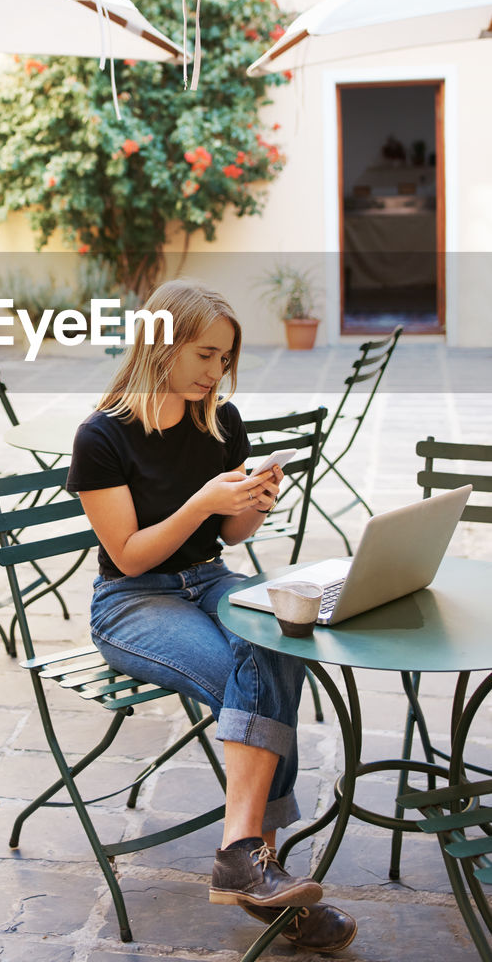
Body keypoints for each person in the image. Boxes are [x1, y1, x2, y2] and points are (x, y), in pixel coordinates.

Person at [66, 279, 357, 954]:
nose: (215, 371)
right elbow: (131, 557)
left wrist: (253, 499)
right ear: (160, 344)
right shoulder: (102, 437)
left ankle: (246, 855)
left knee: (283, 635)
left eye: (224, 358)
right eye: (204, 354)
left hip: (210, 579)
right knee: (248, 674)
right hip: (134, 602)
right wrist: (201, 501)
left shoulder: (221, 422)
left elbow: (229, 538)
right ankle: (258, 869)